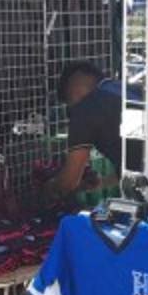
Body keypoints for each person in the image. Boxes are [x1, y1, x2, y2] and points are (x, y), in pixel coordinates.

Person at [43, 61, 125, 204]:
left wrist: (48, 188)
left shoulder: (85, 109)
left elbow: (68, 183)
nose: (71, 109)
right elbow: (137, 160)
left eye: (69, 101)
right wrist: (102, 183)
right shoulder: (122, 88)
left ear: (74, 87)